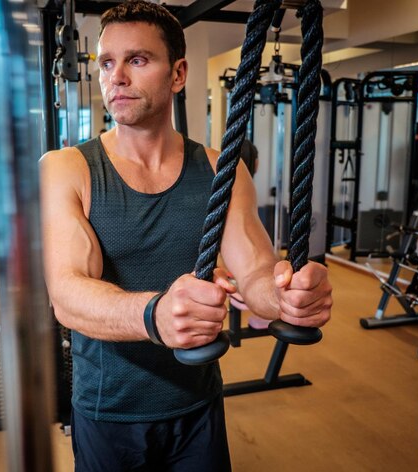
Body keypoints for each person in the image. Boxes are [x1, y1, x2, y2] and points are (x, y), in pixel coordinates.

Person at [40, 2, 332, 471]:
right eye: (107, 63)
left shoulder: (221, 168)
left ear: (178, 74)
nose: (116, 77)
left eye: (137, 60)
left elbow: (255, 269)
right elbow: (67, 294)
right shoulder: (68, 168)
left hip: (198, 407)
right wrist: (155, 314)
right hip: (109, 412)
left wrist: (287, 298)